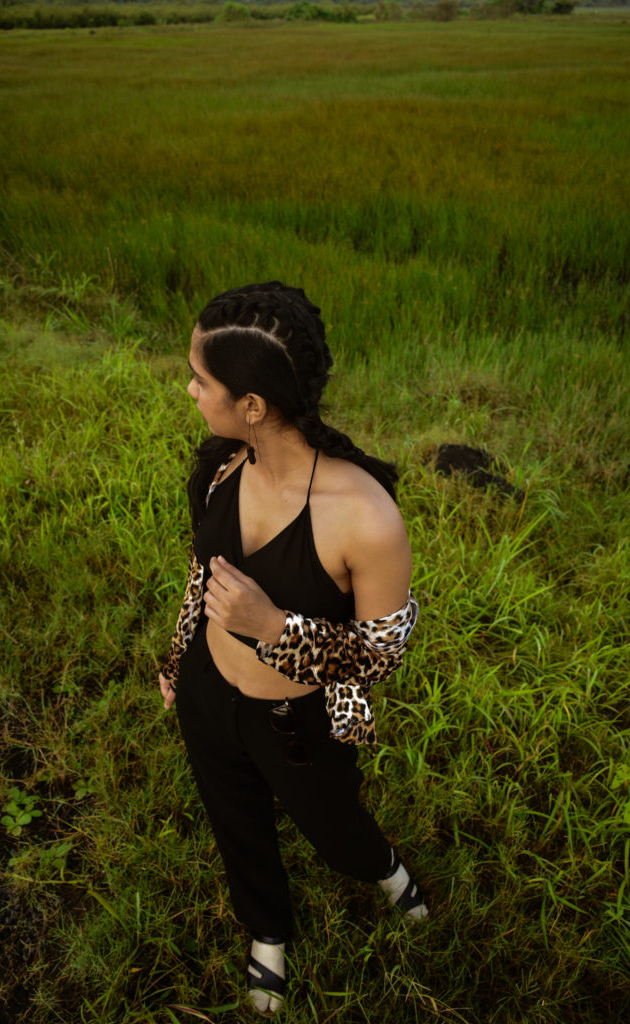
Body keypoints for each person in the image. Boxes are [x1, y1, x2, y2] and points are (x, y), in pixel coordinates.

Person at [158, 282, 427, 1015]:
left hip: (296, 722)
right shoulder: (221, 465)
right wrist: (178, 659)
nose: (189, 390)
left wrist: (274, 626)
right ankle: (267, 931)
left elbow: (379, 657)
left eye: (200, 378)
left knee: (335, 829)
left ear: (251, 403)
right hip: (209, 692)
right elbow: (202, 576)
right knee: (235, 822)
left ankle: (384, 869)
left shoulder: (364, 517)